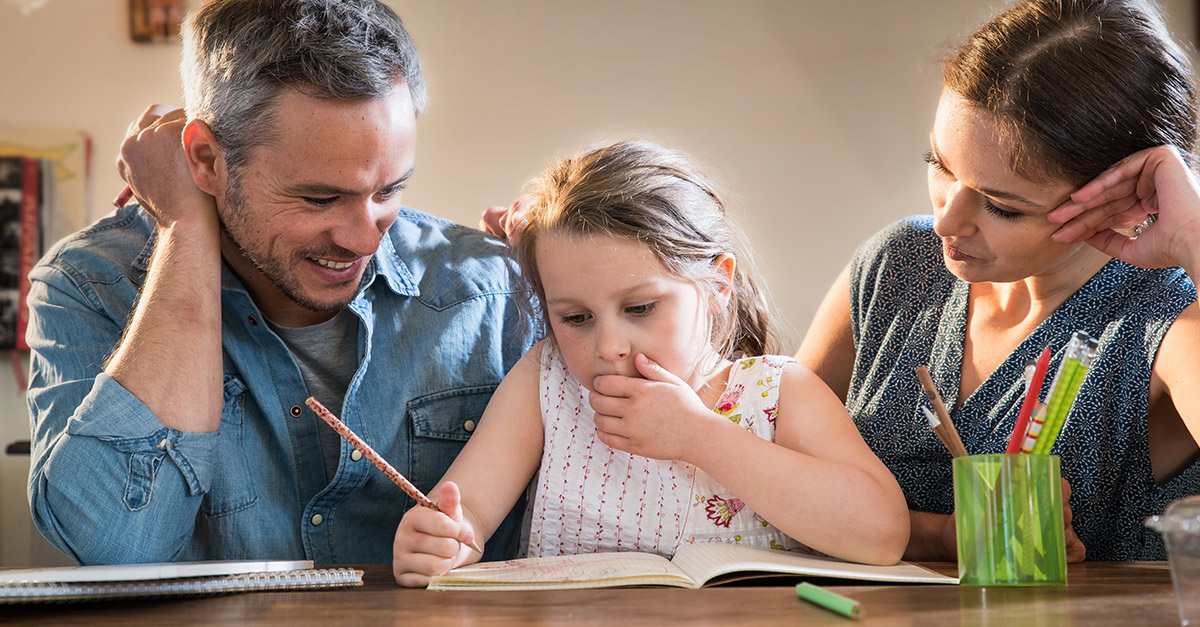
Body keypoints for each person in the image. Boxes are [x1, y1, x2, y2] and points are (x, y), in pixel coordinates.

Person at [24, 0, 533, 566]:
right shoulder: (88, 285)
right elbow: (117, 548)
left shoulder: (493, 285)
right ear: (207, 160)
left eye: (389, 191)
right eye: (320, 198)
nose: (365, 241)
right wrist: (185, 228)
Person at [393, 140, 910, 587]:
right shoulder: (545, 381)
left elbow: (882, 534)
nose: (610, 345)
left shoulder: (777, 392)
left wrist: (700, 436)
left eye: (640, 308)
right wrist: (445, 539)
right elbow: (471, 510)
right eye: (576, 317)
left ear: (717, 286)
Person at [795, 0, 1200, 562]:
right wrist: (940, 535)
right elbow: (776, 477)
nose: (946, 220)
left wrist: (1194, 241)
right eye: (939, 164)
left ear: (1127, 205)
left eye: (1001, 207)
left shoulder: (1169, 322)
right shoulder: (898, 264)